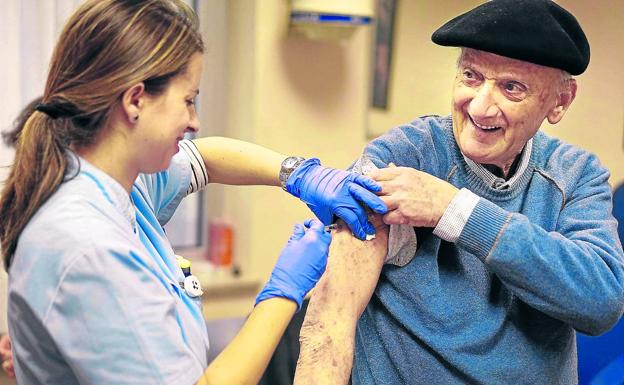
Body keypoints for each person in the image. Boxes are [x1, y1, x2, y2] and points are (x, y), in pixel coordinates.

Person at [0, 1, 388, 384]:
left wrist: (300, 174)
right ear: (135, 100)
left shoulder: (117, 182)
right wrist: (284, 290)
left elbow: (206, 158)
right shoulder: (89, 249)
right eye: (188, 101)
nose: (194, 121)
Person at [293, 1, 624, 384]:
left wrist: (454, 210)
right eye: (471, 75)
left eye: (511, 87)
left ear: (560, 101)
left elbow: (601, 301)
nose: (480, 107)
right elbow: (332, 317)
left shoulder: (577, 176)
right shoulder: (406, 155)